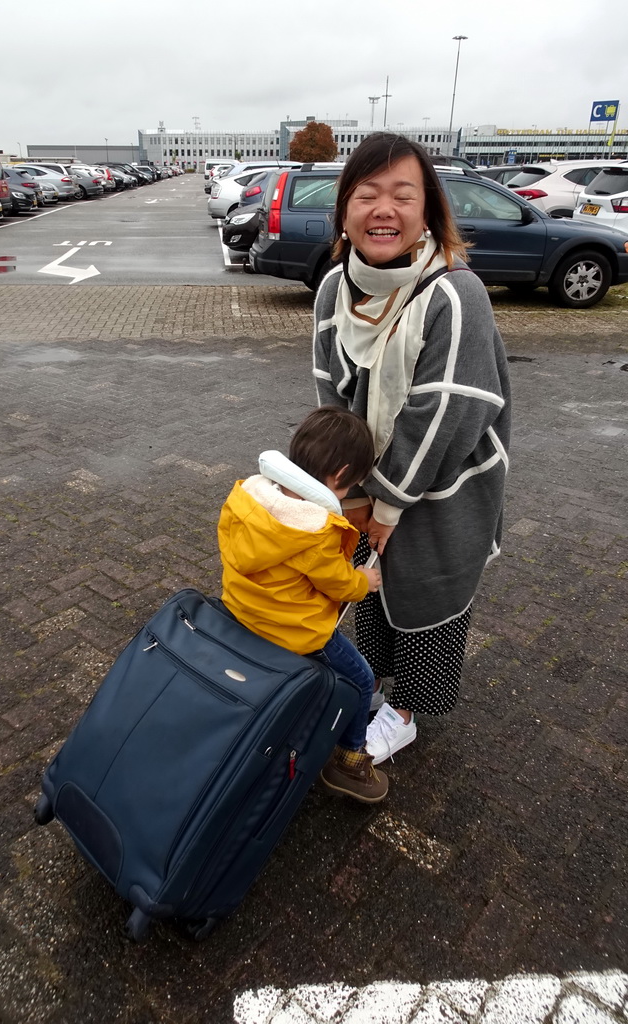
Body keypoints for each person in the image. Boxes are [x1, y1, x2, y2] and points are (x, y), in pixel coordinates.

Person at [312, 132, 511, 764]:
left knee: (430, 588)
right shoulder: (333, 294)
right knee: (369, 585)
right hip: (369, 490)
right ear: (344, 211)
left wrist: (387, 503)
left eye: (404, 194)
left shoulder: (455, 293)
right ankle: (372, 687)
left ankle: (405, 713)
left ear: (429, 211)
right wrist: (344, 494)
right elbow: (332, 403)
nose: (384, 209)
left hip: (445, 483)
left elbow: (449, 411)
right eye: (366, 194)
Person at [218, 406, 388, 804]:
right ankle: (348, 762)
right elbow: (338, 583)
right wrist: (364, 580)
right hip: (293, 631)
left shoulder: (250, 500)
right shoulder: (314, 529)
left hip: (241, 613)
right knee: (362, 678)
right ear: (342, 475)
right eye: (351, 486)